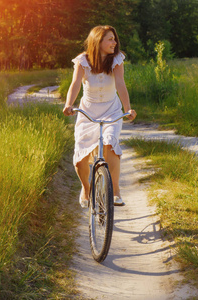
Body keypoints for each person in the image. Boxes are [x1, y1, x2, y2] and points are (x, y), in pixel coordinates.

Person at [63, 25, 137, 208]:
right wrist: (68, 104)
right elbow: (75, 85)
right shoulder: (82, 61)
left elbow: (120, 84)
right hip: (88, 112)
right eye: (110, 39)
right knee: (80, 159)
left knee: (109, 144)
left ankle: (116, 192)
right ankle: (86, 189)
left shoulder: (117, 60)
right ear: (98, 41)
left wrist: (128, 109)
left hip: (111, 110)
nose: (114, 43)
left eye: (114, 39)